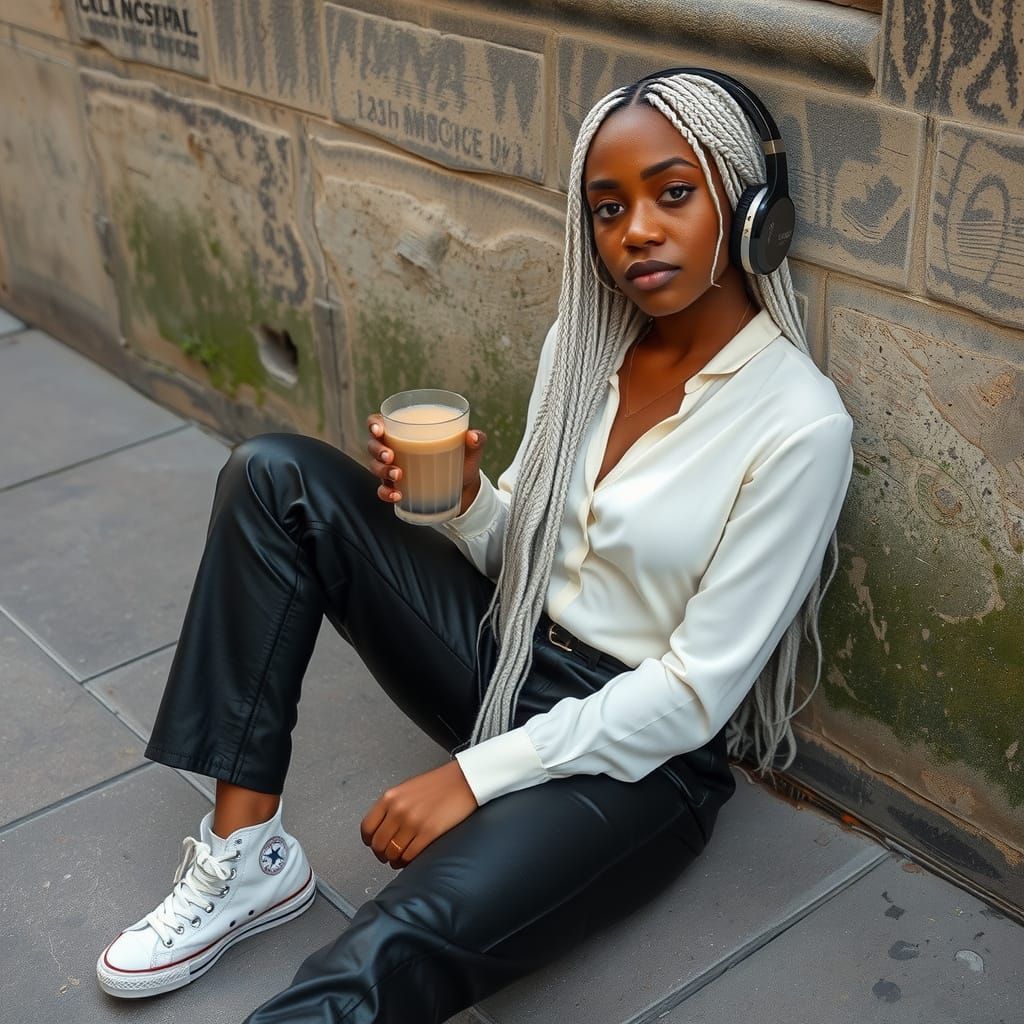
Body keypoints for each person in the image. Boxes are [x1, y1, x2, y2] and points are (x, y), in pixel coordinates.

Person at [96, 68, 853, 1022]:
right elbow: (524, 559)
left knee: (393, 945)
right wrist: (463, 505)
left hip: (642, 761)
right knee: (272, 474)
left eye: (673, 193)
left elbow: (695, 696)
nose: (636, 233)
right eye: (608, 208)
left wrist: (471, 776)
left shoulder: (799, 424)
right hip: (507, 652)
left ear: (750, 209)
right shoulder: (582, 350)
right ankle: (248, 857)